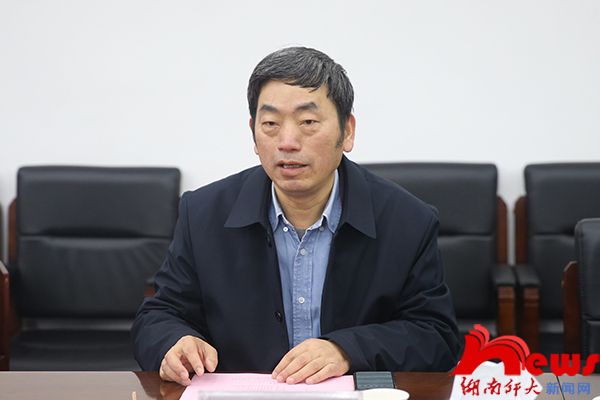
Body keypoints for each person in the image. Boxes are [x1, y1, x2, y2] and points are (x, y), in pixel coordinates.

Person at [131, 46, 460, 387]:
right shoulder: (203, 214)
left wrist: (348, 350)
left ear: (347, 131)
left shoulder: (408, 220)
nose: (287, 142)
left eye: (308, 122)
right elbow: (159, 315)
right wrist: (173, 343)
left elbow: (436, 336)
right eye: (271, 124)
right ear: (254, 133)